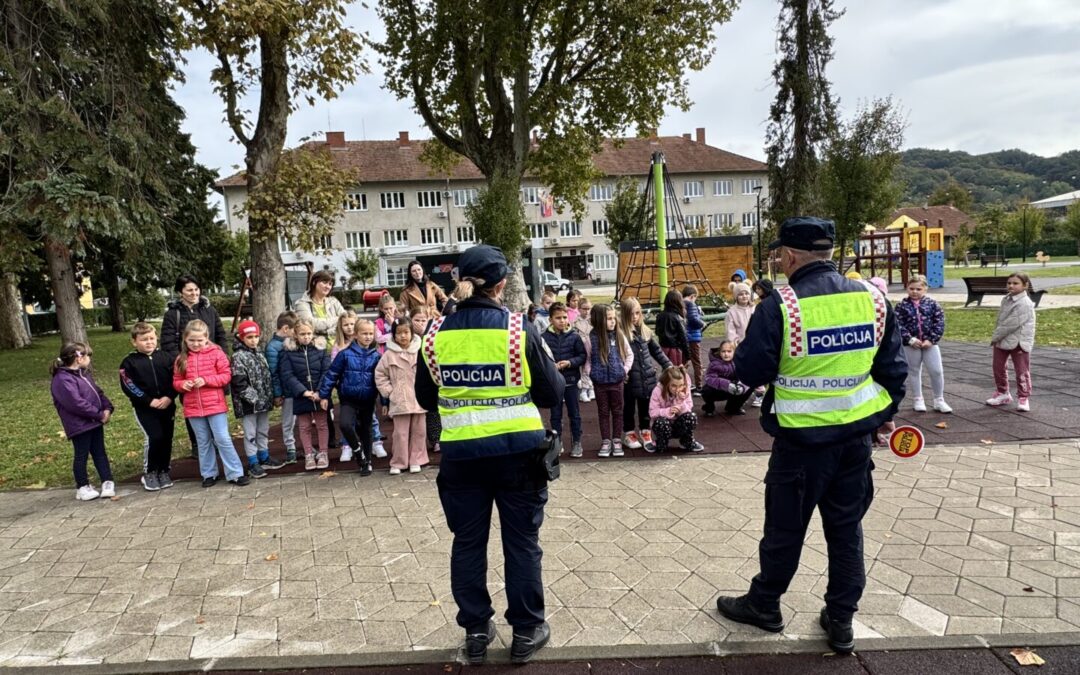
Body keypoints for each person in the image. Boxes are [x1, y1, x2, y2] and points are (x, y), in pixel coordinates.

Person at [714, 217, 906, 655]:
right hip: (854, 443)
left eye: (780, 254)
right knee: (846, 531)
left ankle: (765, 604)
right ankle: (841, 619)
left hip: (801, 444)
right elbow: (894, 372)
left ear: (791, 256)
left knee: (784, 530)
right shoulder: (874, 299)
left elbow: (747, 370)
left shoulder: (782, 305)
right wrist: (877, 416)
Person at [415, 244, 563, 665]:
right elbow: (551, 392)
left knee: (467, 542)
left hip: (462, 458)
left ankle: (476, 631)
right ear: (501, 284)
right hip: (519, 454)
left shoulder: (435, 334)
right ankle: (527, 630)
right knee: (521, 542)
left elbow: (427, 397)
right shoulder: (519, 329)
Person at [172, 320, 250, 488]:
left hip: (215, 405)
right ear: (185, 339)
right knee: (203, 441)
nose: (196, 344)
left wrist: (206, 380)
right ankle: (208, 473)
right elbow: (176, 381)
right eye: (191, 340)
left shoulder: (216, 353)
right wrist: (182, 385)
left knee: (223, 438)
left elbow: (225, 376)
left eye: (200, 340)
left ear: (206, 338)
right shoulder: (181, 358)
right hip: (193, 407)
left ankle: (235, 472)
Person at [161, 274, 228, 458]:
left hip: (211, 366)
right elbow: (167, 343)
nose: (194, 293)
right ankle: (198, 443)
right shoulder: (173, 314)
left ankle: (217, 442)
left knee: (215, 407)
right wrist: (184, 363)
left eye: (196, 289)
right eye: (189, 290)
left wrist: (222, 357)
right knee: (193, 408)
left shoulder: (209, 310)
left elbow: (220, 335)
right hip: (187, 368)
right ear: (180, 292)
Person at [51, 342, 115, 501]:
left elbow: (98, 393)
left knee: (100, 452)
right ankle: (82, 486)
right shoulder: (62, 379)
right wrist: (99, 415)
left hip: (94, 422)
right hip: (79, 426)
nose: (89, 359)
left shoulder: (84, 374)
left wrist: (107, 408)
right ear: (78, 358)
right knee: (81, 455)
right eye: (87, 356)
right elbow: (76, 403)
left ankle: (107, 481)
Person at [120, 323, 178, 491]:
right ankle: (150, 472)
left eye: (152, 338)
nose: (149, 342)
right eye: (144, 339)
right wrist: (148, 400)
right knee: (155, 437)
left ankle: (163, 470)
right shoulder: (129, 363)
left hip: (167, 406)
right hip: (145, 409)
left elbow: (175, 378)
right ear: (134, 342)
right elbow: (128, 385)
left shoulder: (166, 357)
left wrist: (169, 396)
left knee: (166, 438)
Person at [320, 318, 381, 476]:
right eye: (364, 333)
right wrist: (324, 395)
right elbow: (332, 374)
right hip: (349, 399)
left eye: (370, 334)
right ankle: (357, 449)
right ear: (355, 335)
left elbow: (382, 379)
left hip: (368, 399)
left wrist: (386, 401)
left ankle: (366, 462)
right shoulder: (345, 354)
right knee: (346, 425)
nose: (368, 337)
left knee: (365, 430)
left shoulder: (376, 356)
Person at [230, 320, 286, 479]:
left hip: (264, 401)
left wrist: (270, 396)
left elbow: (267, 377)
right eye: (249, 337)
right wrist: (254, 399)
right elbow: (239, 382)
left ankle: (264, 456)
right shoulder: (238, 357)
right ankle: (253, 461)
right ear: (241, 338)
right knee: (250, 433)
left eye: (256, 336)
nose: (254, 340)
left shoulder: (260, 354)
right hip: (249, 404)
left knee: (263, 430)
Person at [376, 318, 429, 474]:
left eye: (406, 332)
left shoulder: (421, 351)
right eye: (399, 333)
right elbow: (380, 374)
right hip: (399, 400)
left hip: (418, 398)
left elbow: (429, 372)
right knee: (400, 433)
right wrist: (389, 392)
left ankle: (416, 459)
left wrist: (426, 390)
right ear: (394, 335)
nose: (403, 336)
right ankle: (399, 462)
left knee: (419, 431)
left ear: (412, 333)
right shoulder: (389, 355)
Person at [279, 318, 332, 471]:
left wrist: (321, 392)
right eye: (302, 334)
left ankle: (323, 453)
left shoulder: (320, 350)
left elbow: (326, 371)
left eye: (309, 333)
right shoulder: (288, 353)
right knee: (304, 426)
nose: (306, 337)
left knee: (322, 424)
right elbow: (287, 375)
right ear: (295, 334)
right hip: (301, 395)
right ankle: (309, 454)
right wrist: (303, 391)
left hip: (319, 394)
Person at [620, 297, 671, 454]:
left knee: (646, 405)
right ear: (624, 315)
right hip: (630, 377)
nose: (635, 317)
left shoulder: (645, 331)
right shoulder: (622, 334)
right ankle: (628, 433)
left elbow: (656, 350)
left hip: (647, 376)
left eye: (637, 313)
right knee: (629, 406)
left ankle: (645, 430)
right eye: (631, 314)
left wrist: (667, 364)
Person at [895, 275, 952, 414]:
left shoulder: (933, 305)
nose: (915, 291)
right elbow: (898, 324)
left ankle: (939, 399)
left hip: (930, 344)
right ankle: (918, 399)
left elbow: (939, 323)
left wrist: (931, 339)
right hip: (911, 344)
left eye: (918, 289)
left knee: (936, 371)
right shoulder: (901, 306)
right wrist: (910, 339)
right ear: (907, 288)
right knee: (914, 371)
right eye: (911, 288)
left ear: (925, 289)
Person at [584, 303, 633, 458]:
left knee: (618, 411)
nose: (613, 321)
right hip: (600, 383)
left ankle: (617, 440)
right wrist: (591, 373)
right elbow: (587, 359)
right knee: (603, 412)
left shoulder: (619, 335)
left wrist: (623, 370)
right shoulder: (591, 339)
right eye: (609, 318)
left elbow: (629, 354)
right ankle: (606, 441)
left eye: (614, 318)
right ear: (599, 320)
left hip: (617, 382)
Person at [542, 302, 587, 458]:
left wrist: (570, 363)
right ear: (550, 320)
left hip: (571, 380)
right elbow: (541, 358)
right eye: (558, 318)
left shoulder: (574, 336)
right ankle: (557, 441)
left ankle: (576, 442)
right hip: (554, 382)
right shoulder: (544, 337)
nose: (562, 321)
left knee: (574, 413)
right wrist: (550, 366)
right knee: (555, 414)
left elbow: (582, 356)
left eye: (564, 317)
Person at [987, 272, 1036, 412]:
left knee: (1022, 370)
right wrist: (998, 336)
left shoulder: (1025, 303)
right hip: (1003, 339)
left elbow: (1011, 323)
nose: (1011, 286)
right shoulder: (1007, 299)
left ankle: (1023, 397)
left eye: (1015, 283)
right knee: (998, 367)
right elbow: (1001, 320)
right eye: (1009, 283)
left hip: (1019, 341)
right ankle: (1003, 393)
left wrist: (995, 336)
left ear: (1025, 286)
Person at [266, 311, 299, 464]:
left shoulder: (293, 343)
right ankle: (290, 448)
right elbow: (273, 373)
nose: (295, 333)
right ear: (286, 329)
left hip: (297, 388)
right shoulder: (273, 347)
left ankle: (301, 446)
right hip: (286, 391)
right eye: (294, 330)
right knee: (288, 421)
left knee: (301, 420)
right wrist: (278, 393)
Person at [649, 366, 702, 452]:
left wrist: (680, 401)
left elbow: (688, 409)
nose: (677, 389)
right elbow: (652, 412)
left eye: (680, 385)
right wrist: (667, 411)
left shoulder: (685, 390)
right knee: (661, 422)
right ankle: (661, 443)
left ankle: (687, 441)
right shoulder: (657, 391)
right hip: (664, 425)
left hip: (679, 425)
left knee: (691, 417)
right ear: (666, 384)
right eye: (673, 386)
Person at [727, 282, 764, 407]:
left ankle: (760, 393)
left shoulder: (754, 309)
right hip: (741, 345)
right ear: (736, 296)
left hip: (755, 344)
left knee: (757, 369)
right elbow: (730, 330)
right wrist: (734, 342)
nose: (744, 296)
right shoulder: (732, 312)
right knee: (743, 371)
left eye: (746, 293)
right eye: (741, 294)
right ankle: (743, 394)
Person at [295, 270, 347, 351]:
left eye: (330, 284)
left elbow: (345, 321)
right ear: (314, 282)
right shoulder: (301, 304)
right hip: (315, 350)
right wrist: (337, 319)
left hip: (338, 348)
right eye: (324, 282)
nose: (328, 286)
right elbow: (311, 324)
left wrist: (325, 330)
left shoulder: (333, 301)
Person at [701, 340, 754, 416]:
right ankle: (709, 407)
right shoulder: (715, 363)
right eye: (723, 351)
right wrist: (727, 385)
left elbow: (746, 373)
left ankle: (733, 407)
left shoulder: (738, 361)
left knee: (750, 383)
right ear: (720, 352)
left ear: (734, 352)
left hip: (734, 388)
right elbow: (710, 378)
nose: (726, 354)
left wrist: (742, 385)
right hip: (719, 390)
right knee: (706, 390)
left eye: (729, 351)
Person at [656, 289, 689, 368]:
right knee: (675, 371)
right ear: (679, 302)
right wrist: (688, 355)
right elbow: (683, 337)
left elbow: (657, 331)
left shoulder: (660, 315)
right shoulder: (677, 317)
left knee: (666, 369)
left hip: (663, 347)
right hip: (674, 349)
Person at [683, 285, 705, 394]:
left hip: (685, 337)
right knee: (697, 362)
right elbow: (693, 319)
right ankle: (699, 386)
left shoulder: (680, 304)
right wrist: (702, 324)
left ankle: (683, 383)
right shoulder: (691, 304)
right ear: (692, 296)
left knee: (685, 361)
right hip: (693, 337)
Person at [572, 296, 594, 402]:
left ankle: (591, 388)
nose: (586, 311)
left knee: (592, 369)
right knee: (585, 369)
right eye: (584, 309)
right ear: (579, 309)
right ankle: (584, 391)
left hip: (592, 347)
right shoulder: (575, 322)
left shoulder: (593, 321)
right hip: (581, 348)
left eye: (588, 309)